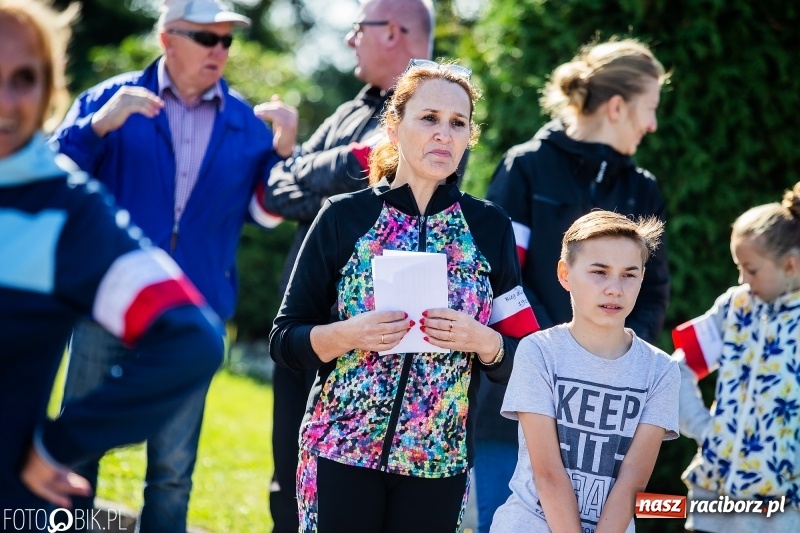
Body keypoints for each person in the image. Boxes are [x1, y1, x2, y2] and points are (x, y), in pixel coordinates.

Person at [49, 0, 298, 529]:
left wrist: (283, 152)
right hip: (106, 303)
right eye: (206, 38)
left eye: (227, 40)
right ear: (167, 38)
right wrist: (97, 126)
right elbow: (53, 178)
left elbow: (264, 213)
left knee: (172, 470)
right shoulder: (108, 100)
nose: (220, 51)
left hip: (192, 316)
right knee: (75, 456)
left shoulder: (246, 122)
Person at [269, 59, 539, 532]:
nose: (443, 133)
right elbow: (285, 338)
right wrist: (347, 334)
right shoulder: (341, 217)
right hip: (340, 449)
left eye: (458, 123)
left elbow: (526, 357)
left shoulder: (490, 227)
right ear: (393, 128)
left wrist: (483, 341)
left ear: (468, 138)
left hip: (438, 463)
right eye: (429, 118)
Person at [0, 0, 223, 515]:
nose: (7, 100)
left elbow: (192, 340)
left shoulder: (65, 213)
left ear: (50, 92)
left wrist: (58, 445)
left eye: (25, 78)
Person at [476, 37, 672, 531]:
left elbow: (651, 291)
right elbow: (498, 277)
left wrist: (612, 359)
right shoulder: (526, 166)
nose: (652, 125)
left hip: (610, 423)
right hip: (510, 405)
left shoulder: (643, 189)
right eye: (649, 109)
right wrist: (561, 351)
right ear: (616, 106)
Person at [262, 0, 435, 529]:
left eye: (359, 28)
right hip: (303, 317)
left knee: (344, 480)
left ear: (393, 34)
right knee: (285, 473)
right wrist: (340, 168)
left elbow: (384, 199)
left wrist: (308, 171)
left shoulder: (435, 113)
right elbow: (276, 189)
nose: (348, 40)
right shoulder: (349, 109)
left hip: (372, 339)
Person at [491, 210, 679, 533]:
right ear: (565, 274)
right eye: (599, 272)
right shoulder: (538, 352)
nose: (614, 288)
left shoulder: (661, 371)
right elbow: (548, 474)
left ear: (642, 278)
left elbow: (633, 478)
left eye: (629, 274)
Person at [674, 182, 800, 533]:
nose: (742, 278)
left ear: (790, 265)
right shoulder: (734, 306)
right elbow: (679, 367)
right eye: (738, 267)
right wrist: (703, 428)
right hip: (714, 499)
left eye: (752, 269)